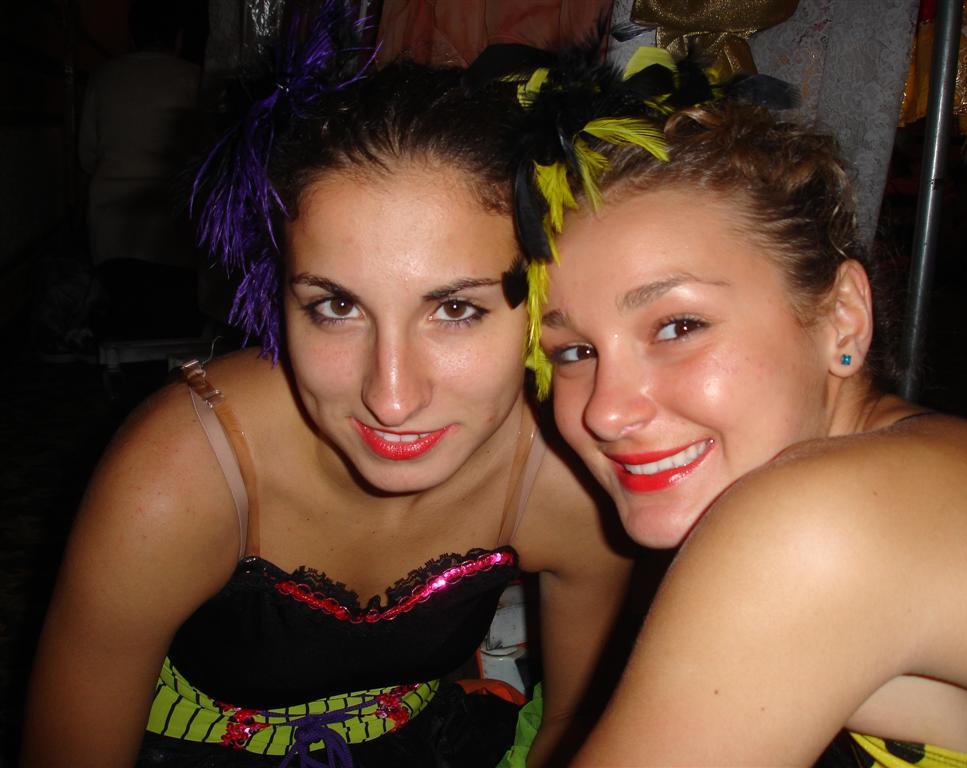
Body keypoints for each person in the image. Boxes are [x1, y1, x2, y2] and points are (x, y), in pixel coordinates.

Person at [21, 9, 632, 766]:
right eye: (336, 307)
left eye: (455, 310)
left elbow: (571, 721)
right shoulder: (178, 476)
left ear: (544, 303)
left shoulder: (567, 475)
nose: (391, 397)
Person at [508, 53, 967, 768]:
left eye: (678, 326)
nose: (606, 413)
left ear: (842, 317)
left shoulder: (817, 521)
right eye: (573, 352)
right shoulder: (916, 469)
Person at [78, 0, 205, 340]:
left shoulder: (104, 77)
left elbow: (86, 157)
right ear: (178, 37)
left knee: (125, 316)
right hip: (175, 233)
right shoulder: (194, 78)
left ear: (131, 37)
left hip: (110, 234)